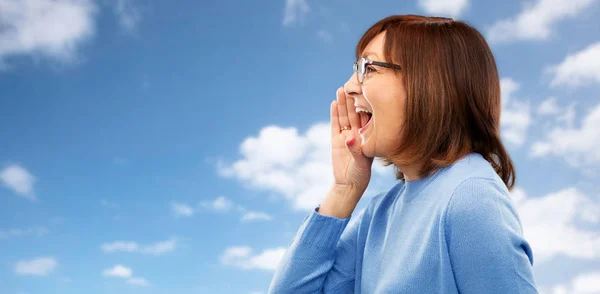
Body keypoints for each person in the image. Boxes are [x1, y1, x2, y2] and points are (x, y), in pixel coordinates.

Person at [268, 14, 539, 294]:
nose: (349, 86)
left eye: (368, 68)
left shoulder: (470, 196)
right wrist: (344, 190)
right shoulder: (379, 214)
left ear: (429, 82)